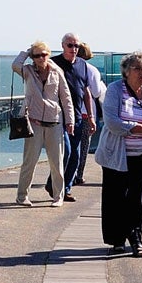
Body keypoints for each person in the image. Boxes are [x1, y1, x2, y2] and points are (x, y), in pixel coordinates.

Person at [95, 51, 142, 256]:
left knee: (138, 198)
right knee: (115, 197)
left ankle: (136, 238)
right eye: (137, 68)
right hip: (116, 153)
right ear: (126, 72)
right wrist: (138, 128)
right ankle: (117, 240)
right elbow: (111, 122)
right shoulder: (114, 90)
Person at [11, 41, 74, 206]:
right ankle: (22, 196)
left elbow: (66, 97)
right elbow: (15, 64)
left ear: (49, 54)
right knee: (29, 162)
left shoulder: (56, 72)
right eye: (37, 55)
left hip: (54, 122)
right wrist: (27, 50)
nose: (41, 58)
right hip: (33, 122)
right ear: (33, 57)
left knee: (57, 162)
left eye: (44, 54)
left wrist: (70, 120)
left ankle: (58, 197)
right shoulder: (28, 71)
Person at [54, 33, 105, 202]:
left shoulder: (82, 65)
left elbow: (87, 91)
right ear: (62, 45)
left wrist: (90, 116)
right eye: (70, 45)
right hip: (57, 117)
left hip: (77, 117)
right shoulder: (54, 63)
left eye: (76, 46)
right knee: (67, 152)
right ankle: (55, 186)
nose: (74, 49)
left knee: (75, 155)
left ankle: (65, 189)